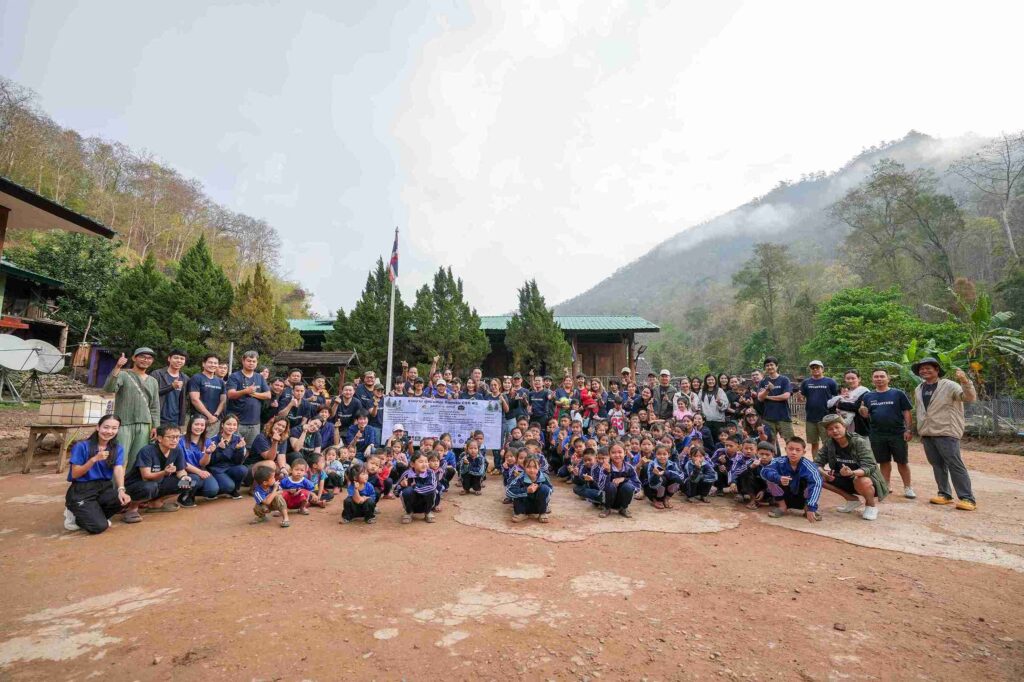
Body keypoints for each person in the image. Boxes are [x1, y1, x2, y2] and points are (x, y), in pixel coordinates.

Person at [912, 357, 978, 511]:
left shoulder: (949, 385)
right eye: (922, 369)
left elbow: (969, 397)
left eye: (928, 368)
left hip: (946, 431)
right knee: (937, 465)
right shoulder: (919, 388)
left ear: (937, 370)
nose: (924, 371)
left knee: (955, 464)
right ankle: (944, 494)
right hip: (927, 433)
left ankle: (967, 498)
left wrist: (965, 381)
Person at [64, 415, 131, 534]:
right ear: (98, 427)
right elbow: (75, 474)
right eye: (106, 427)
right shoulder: (82, 446)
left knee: (123, 500)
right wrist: (94, 459)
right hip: (82, 489)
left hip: (104, 487)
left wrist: (121, 489)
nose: (109, 431)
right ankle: (73, 514)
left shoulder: (117, 448)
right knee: (99, 527)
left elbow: (118, 468)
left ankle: (90, 516)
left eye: (114, 428)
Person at [815, 414, 888, 520]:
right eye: (830, 429)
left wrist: (852, 473)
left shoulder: (859, 442)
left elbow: (870, 466)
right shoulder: (829, 444)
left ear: (844, 427)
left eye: (837, 427)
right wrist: (823, 472)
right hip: (844, 478)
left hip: (866, 480)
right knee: (817, 476)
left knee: (861, 480)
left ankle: (871, 506)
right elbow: (817, 463)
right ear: (827, 432)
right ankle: (851, 499)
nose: (834, 431)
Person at [858, 368, 915, 497]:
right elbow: (865, 414)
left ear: (888, 378)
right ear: (872, 380)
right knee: (884, 461)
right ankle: (886, 486)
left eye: (882, 376)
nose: (879, 379)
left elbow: (906, 412)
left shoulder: (898, 394)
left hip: (897, 433)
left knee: (902, 461)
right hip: (877, 434)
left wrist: (908, 429)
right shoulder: (868, 396)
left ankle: (908, 487)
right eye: (876, 377)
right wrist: (862, 411)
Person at [102, 347, 160, 473]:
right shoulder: (124, 374)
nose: (146, 360)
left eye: (149, 358)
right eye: (142, 357)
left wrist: (155, 426)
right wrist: (117, 367)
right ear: (134, 358)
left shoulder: (153, 381)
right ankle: (112, 484)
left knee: (137, 459)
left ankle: (130, 482)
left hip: (145, 424)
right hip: (124, 422)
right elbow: (109, 389)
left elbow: (155, 406)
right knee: (118, 458)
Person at [123, 424, 194, 521]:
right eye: (171, 437)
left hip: (158, 482)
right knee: (150, 487)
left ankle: (155, 503)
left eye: (177, 437)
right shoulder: (147, 450)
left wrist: (184, 477)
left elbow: (181, 471)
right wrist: (164, 472)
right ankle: (132, 508)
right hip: (137, 484)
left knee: (188, 483)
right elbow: (146, 476)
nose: (175, 440)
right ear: (159, 438)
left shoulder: (177, 449)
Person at [760, 436, 822, 522]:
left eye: (798, 450)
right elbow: (764, 471)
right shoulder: (778, 461)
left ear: (803, 452)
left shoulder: (809, 466)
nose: (793, 452)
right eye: (791, 449)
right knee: (770, 479)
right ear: (786, 449)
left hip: (803, 497)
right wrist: (778, 478)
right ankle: (782, 507)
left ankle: (807, 508)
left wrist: (811, 507)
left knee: (814, 482)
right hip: (785, 496)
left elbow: (817, 483)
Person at [226, 350, 271, 446]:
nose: (251, 363)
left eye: (254, 361)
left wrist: (252, 393)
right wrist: (245, 391)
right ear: (243, 361)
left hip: (254, 423)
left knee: (252, 449)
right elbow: (230, 394)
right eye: (249, 361)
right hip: (236, 422)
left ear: (257, 363)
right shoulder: (234, 376)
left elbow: (268, 395)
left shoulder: (260, 377)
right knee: (233, 447)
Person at [797, 360, 839, 456]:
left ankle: (830, 463)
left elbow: (837, 397)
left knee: (828, 443)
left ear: (822, 369)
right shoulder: (806, 382)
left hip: (826, 418)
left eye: (817, 367)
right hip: (810, 418)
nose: (815, 369)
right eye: (813, 368)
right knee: (814, 443)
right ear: (810, 370)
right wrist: (799, 396)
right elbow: (801, 400)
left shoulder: (830, 382)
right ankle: (816, 463)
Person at [205, 414, 247, 499]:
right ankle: (217, 489)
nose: (231, 427)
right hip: (216, 470)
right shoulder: (213, 440)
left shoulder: (238, 439)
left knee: (242, 469)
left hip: (230, 468)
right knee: (228, 486)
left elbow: (239, 462)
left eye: (234, 425)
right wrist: (219, 449)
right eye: (228, 424)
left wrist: (239, 449)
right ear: (222, 425)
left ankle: (234, 490)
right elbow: (210, 463)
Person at [756, 357, 794, 450]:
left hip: (784, 417)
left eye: (771, 365)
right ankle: (772, 459)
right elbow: (760, 398)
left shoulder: (784, 380)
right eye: (767, 365)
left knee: (790, 442)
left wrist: (767, 397)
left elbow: (786, 396)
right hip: (768, 418)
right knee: (769, 444)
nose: (769, 367)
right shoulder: (763, 382)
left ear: (777, 366)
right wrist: (767, 390)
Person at [178, 415, 217, 505]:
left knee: (212, 490)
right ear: (190, 425)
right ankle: (183, 496)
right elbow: (181, 462)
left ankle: (192, 491)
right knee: (194, 479)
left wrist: (208, 453)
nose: (199, 427)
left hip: (200, 470)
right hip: (183, 471)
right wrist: (199, 472)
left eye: (202, 425)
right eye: (196, 424)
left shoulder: (207, 441)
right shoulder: (181, 440)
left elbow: (203, 464)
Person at [597, 442, 641, 518]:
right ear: (609, 454)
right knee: (611, 486)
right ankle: (607, 508)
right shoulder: (605, 467)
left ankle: (623, 508)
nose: (617, 455)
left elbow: (637, 485)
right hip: (608, 499)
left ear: (625, 453)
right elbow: (601, 486)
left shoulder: (629, 467)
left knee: (628, 486)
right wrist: (607, 472)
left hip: (622, 500)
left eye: (620, 452)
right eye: (613, 453)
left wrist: (624, 479)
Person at [187, 353, 227, 437]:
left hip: (215, 420)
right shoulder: (196, 378)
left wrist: (215, 415)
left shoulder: (220, 382)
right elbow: (194, 399)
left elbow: (223, 400)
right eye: (210, 362)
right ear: (203, 364)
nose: (213, 365)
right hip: (199, 419)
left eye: (215, 363)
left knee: (211, 443)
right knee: (196, 442)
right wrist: (209, 416)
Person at [506, 455, 553, 523]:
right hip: (524, 507)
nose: (532, 470)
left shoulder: (544, 477)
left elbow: (551, 490)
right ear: (524, 467)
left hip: (538, 507)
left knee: (544, 488)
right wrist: (526, 490)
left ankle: (542, 513)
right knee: (517, 491)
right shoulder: (520, 478)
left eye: (535, 467)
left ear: (539, 466)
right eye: (528, 467)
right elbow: (508, 492)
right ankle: (521, 514)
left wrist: (539, 487)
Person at [151, 349, 189, 428]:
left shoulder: (185, 378)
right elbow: (151, 394)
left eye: (182, 359)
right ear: (169, 359)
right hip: (157, 418)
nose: (179, 360)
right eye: (176, 358)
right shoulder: (157, 374)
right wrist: (171, 387)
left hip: (175, 419)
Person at [398, 452, 438, 523]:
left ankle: (427, 512)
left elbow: (432, 487)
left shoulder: (430, 472)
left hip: (426, 503)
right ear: (412, 464)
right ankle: (409, 512)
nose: (424, 464)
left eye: (426, 462)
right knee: (407, 491)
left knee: (432, 491)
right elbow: (396, 490)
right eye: (421, 462)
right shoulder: (407, 474)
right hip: (412, 504)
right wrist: (401, 485)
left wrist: (415, 487)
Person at [828, 369, 870, 436]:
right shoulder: (846, 392)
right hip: (844, 426)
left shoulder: (864, 391)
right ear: (845, 379)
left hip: (860, 426)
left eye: (853, 378)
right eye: (848, 378)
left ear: (859, 379)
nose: (850, 381)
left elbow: (857, 407)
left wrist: (839, 404)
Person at [697, 374, 729, 442]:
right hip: (706, 420)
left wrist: (719, 403)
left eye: (712, 379)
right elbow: (699, 404)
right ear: (706, 381)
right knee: (707, 440)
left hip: (718, 420)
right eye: (708, 380)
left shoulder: (720, 390)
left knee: (719, 439)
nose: (711, 381)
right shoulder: (702, 391)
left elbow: (726, 405)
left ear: (715, 381)